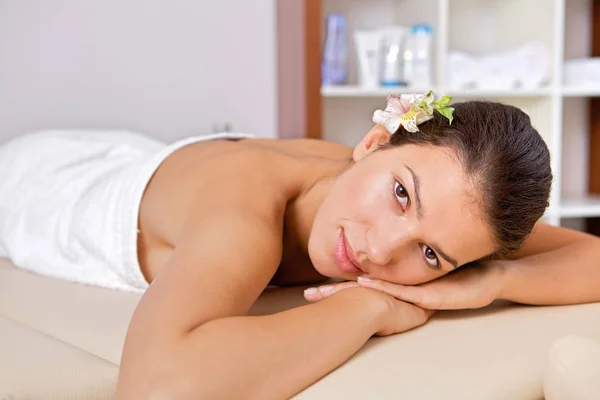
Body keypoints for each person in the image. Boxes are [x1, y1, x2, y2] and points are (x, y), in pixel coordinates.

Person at [1, 94, 599, 399]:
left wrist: (486, 284)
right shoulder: (246, 209)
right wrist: (367, 309)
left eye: (431, 255)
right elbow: (158, 387)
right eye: (398, 194)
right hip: (38, 185)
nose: (383, 251)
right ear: (374, 141)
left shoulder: (449, 207)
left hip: (138, 152)